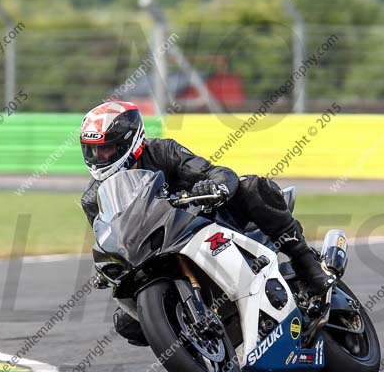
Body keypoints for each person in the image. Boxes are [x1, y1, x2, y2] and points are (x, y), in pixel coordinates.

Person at [79, 101, 332, 346]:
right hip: (154, 249)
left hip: (204, 222)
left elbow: (217, 172)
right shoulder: (92, 199)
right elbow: (112, 238)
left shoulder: (163, 152)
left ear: (129, 142)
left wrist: (215, 184)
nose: (98, 156)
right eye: (92, 150)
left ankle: (307, 264)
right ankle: (192, 339)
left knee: (252, 187)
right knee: (129, 324)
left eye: (106, 148)